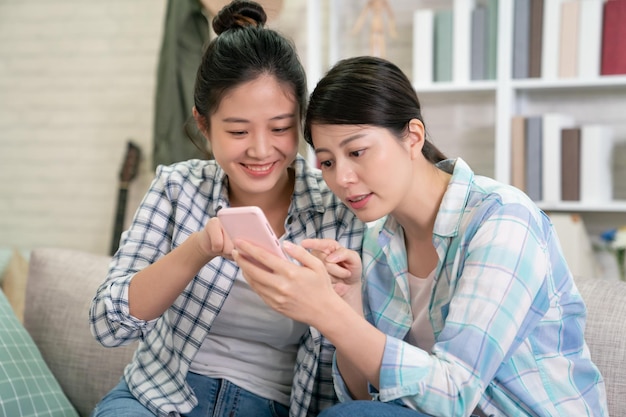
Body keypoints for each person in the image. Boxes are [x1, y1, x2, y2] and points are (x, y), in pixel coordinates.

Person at [231, 56, 609, 417]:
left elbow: (453, 393)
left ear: (413, 137)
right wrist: (346, 302)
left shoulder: (503, 220)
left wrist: (323, 312)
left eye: (358, 151)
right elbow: (368, 399)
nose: (342, 178)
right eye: (328, 162)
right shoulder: (378, 245)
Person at [88, 2, 365, 416]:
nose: (260, 149)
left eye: (280, 128)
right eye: (237, 130)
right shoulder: (177, 187)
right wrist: (198, 248)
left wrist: (345, 297)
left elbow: (355, 392)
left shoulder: (335, 208)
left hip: (271, 406)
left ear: (301, 121)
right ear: (204, 124)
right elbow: (107, 325)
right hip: (157, 397)